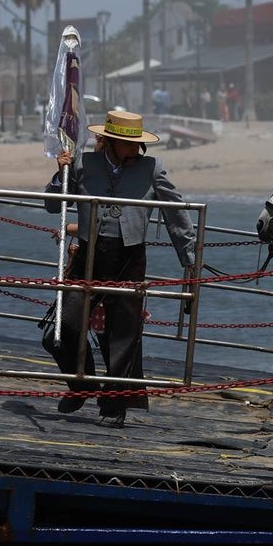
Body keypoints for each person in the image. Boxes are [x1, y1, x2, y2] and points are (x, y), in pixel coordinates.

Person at [43, 110, 197, 427]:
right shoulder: (84, 163)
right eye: (130, 144)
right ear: (112, 141)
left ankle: (114, 406)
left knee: (122, 335)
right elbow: (52, 204)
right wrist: (62, 174)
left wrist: (190, 259)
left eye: (139, 144)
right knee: (62, 327)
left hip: (130, 256)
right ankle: (82, 386)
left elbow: (176, 214)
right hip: (89, 254)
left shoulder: (153, 167)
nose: (137, 150)